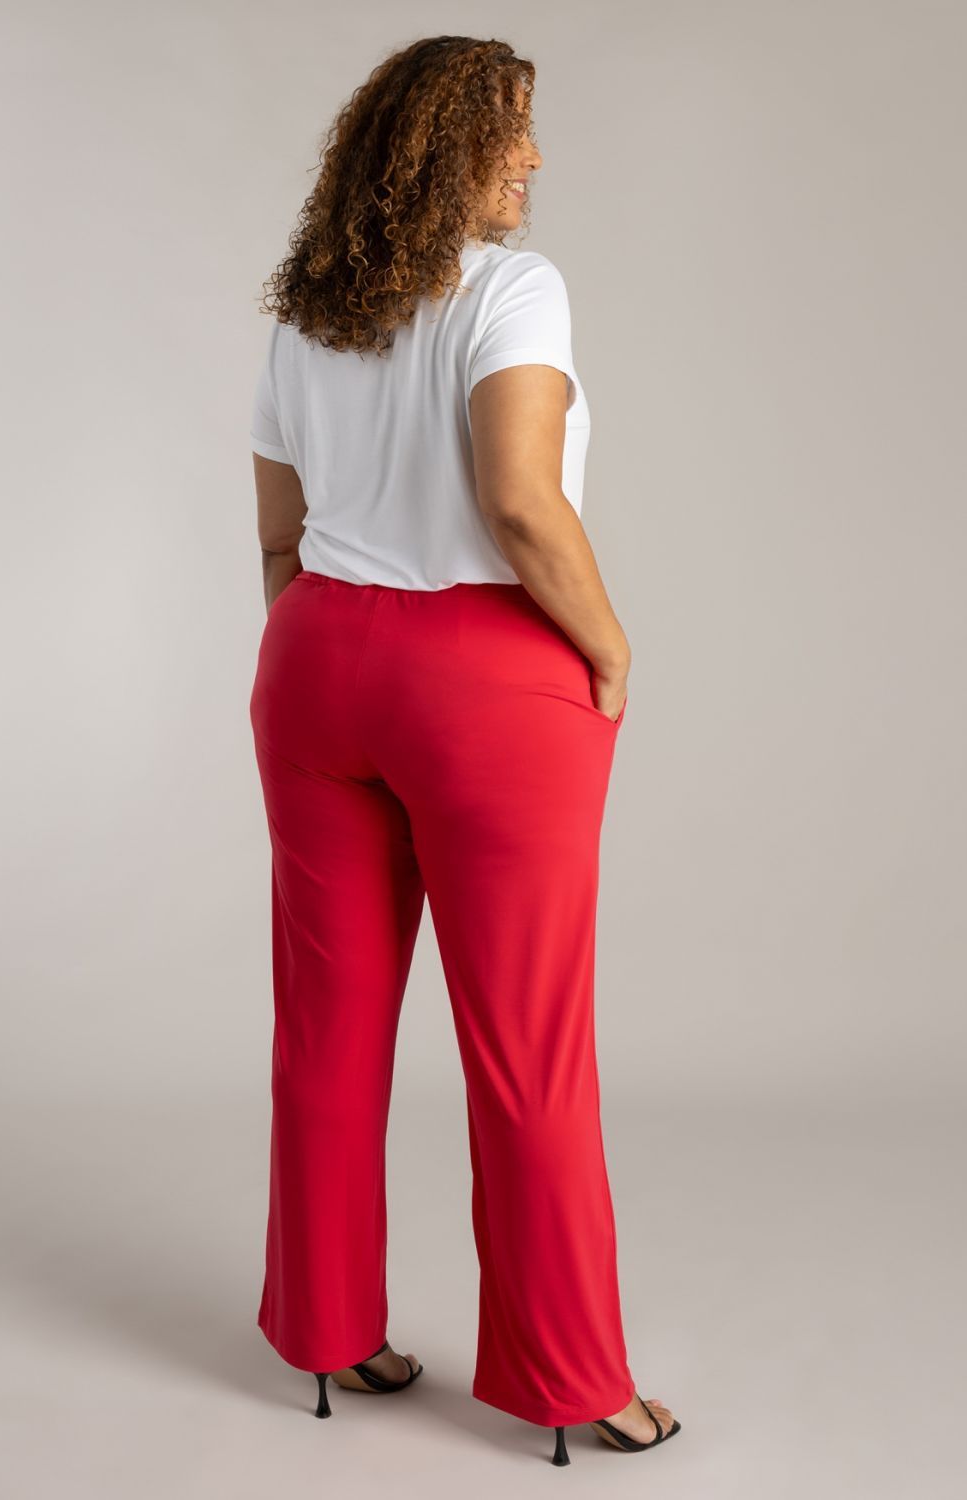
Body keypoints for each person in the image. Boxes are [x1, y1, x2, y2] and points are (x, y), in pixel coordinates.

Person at [247, 35, 681, 1466]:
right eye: (512, 132)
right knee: (527, 1045)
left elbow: (277, 538)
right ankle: (571, 1379)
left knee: (326, 1026)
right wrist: (609, 647)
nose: (534, 159)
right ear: (446, 151)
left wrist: (325, 649)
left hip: (317, 662)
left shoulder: (309, 313)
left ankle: (326, 1335)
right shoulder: (511, 289)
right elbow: (520, 502)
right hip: (487, 678)